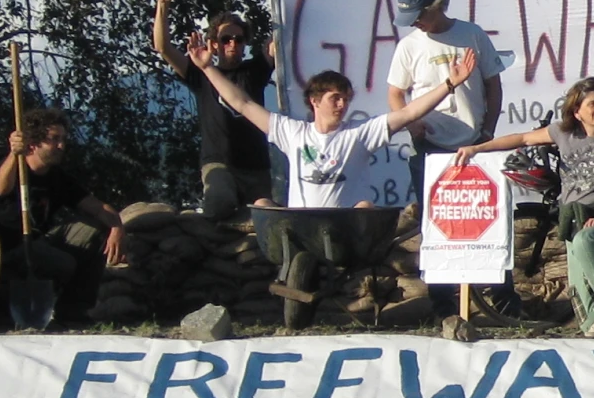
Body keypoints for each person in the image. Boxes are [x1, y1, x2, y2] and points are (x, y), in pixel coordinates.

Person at [186, 32, 473, 302]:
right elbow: (244, 103)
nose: (342, 104)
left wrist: (449, 84)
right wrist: (207, 69)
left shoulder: (359, 133)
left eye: (346, 98)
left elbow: (409, 112)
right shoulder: (293, 132)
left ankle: (355, 285)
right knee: (262, 203)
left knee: (365, 207)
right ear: (314, 101)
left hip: (344, 232)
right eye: (335, 97)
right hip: (299, 230)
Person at [454, 77, 594, 340]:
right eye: (593, 104)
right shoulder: (563, 133)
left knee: (586, 240)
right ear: (577, 111)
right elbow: (522, 138)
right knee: (588, 323)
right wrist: (476, 148)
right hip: (576, 224)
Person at [0, 107, 125, 327]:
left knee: (96, 230)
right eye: (54, 139)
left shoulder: (57, 178)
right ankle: (0, 307)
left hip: (35, 242)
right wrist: (13, 154)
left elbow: (97, 207)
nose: (61, 146)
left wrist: (117, 227)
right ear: (33, 143)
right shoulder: (11, 167)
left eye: (63, 139)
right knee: (61, 263)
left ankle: (74, 312)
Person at [151, 0, 278, 218]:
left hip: (256, 166)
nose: (232, 44)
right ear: (213, 44)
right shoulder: (201, 74)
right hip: (219, 163)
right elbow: (163, 48)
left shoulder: (255, 70)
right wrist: (162, 5)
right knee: (219, 202)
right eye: (226, 39)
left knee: (266, 215)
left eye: (238, 40)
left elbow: (278, 39)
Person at [386, 0, 503, 210]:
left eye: (418, 16)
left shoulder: (472, 34)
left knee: (473, 214)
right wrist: (412, 124)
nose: (414, 24)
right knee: (432, 215)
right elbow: (395, 93)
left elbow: (494, 85)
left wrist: (488, 130)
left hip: (473, 142)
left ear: (436, 6)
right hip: (427, 144)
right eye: (409, 20)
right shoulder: (408, 46)